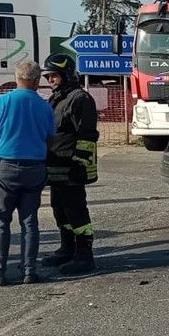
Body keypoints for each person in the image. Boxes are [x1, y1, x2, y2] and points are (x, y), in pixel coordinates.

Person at [0, 60, 55, 286]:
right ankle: (28, 271)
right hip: (35, 168)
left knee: (0, 220)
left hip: (6, 167)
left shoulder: (2, 102)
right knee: (30, 221)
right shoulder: (45, 107)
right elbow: (51, 139)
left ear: (16, 79)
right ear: (36, 81)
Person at [39, 53, 101, 275]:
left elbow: (87, 135)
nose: (50, 80)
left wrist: (79, 164)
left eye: (54, 76)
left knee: (76, 211)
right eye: (48, 77)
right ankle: (67, 248)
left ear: (66, 74)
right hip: (55, 167)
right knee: (60, 210)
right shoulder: (56, 98)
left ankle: (85, 256)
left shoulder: (80, 99)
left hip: (71, 168)